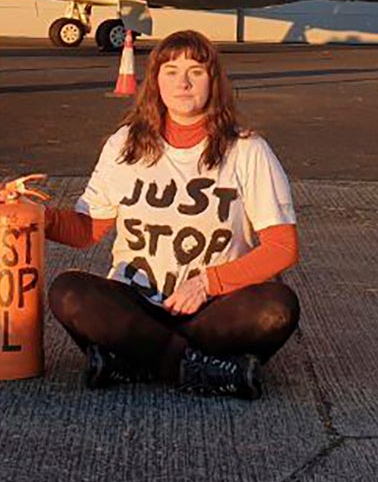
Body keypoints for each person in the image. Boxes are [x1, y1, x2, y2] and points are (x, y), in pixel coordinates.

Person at [27, 29, 300, 398]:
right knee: (69, 292)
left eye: (196, 71)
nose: (183, 82)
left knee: (277, 307)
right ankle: (203, 369)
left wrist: (208, 283)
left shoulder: (248, 149)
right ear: (155, 81)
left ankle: (132, 362)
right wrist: (28, 215)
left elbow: (282, 248)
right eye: (170, 71)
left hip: (212, 310)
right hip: (137, 306)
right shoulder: (124, 144)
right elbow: (87, 229)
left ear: (214, 82)